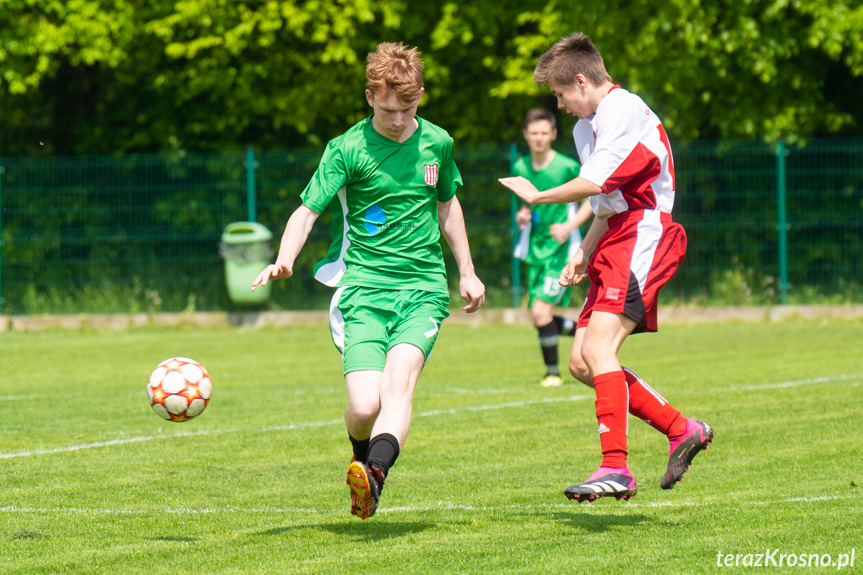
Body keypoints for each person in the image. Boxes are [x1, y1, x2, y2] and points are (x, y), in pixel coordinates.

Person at [252, 42, 486, 519]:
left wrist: (467, 270)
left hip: (421, 289)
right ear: (369, 97)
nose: (398, 119)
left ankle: (375, 475)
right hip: (362, 290)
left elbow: (447, 206)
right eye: (386, 109)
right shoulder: (347, 148)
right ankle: (362, 464)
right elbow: (307, 210)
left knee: (398, 387)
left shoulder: (438, 143)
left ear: (420, 95)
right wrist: (283, 258)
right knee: (363, 408)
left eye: (408, 107)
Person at [499, 32, 713, 503]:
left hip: (644, 232)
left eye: (559, 95)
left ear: (581, 80)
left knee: (597, 352)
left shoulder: (623, 108)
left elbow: (593, 182)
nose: (559, 106)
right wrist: (583, 252)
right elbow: (604, 202)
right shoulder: (584, 128)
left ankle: (616, 467)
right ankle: (683, 429)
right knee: (581, 362)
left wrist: (537, 195)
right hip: (617, 235)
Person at [512, 108, 593, 388]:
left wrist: (570, 226)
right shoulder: (520, 167)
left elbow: (592, 197)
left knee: (540, 314)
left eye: (544, 132)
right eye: (533, 132)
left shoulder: (567, 166)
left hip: (561, 249)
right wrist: (523, 215)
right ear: (526, 134)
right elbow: (529, 204)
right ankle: (589, 332)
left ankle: (552, 374)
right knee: (539, 317)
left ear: (553, 135)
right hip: (535, 248)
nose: (538, 137)